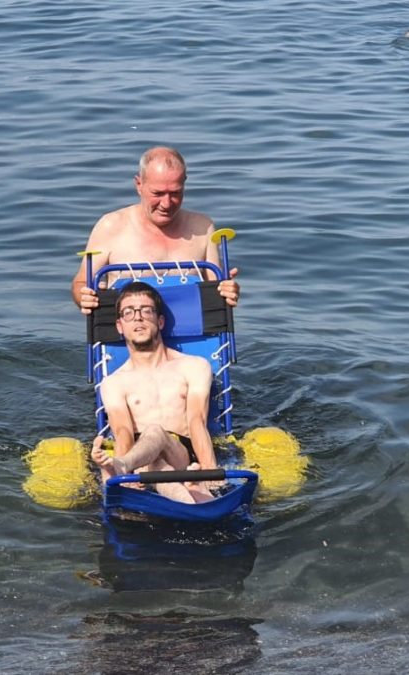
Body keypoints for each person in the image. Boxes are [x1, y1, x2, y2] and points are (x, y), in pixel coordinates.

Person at [90, 281, 218, 504]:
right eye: (129, 313)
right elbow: (123, 432)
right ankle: (195, 502)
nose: (138, 318)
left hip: (180, 452)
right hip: (143, 461)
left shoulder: (194, 366)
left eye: (146, 311)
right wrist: (129, 479)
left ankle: (121, 467)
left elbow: (197, 420)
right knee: (156, 463)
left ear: (160, 321)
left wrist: (211, 473)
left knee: (155, 433)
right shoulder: (114, 383)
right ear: (120, 326)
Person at [72, 146, 239, 315]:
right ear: (139, 185)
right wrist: (84, 297)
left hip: (191, 334)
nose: (166, 203)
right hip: (128, 336)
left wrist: (228, 291)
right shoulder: (111, 226)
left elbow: (217, 291)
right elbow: (81, 283)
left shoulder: (203, 228)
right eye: (157, 193)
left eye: (175, 193)